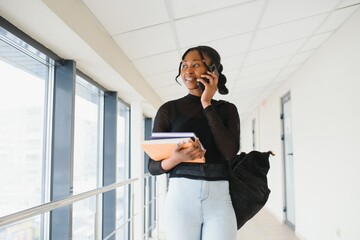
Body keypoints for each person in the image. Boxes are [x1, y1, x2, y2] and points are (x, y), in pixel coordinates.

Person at [148, 45, 240, 240]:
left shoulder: (227, 110)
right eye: (184, 66)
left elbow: (229, 152)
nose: (187, 71)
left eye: (196, 65)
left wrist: (207, 103)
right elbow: (153, 167)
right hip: (181, 199)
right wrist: (175, 159)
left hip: (219, 199)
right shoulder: (168, 110)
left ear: (213, 70)